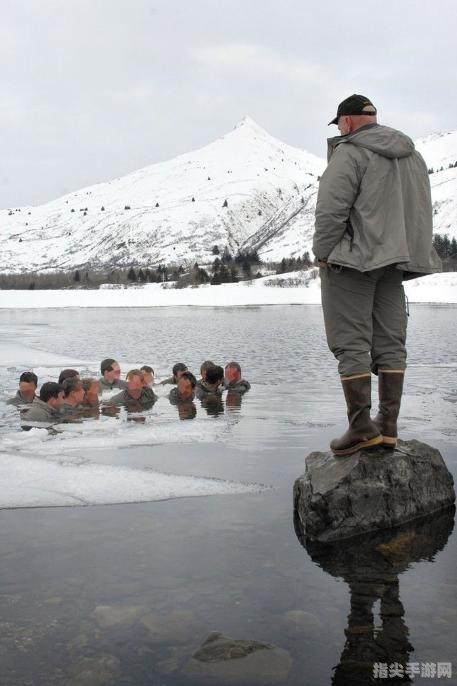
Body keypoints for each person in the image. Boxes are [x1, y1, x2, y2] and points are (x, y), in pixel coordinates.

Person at [313, 94, 441, 456]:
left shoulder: (349, 152)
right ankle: (388, 426)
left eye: (339, 124)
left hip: (353, 262)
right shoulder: (412, 156)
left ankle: (360, 427)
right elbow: (419, 212)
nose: (339, 129)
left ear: (349, 122)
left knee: (350, 342)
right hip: (395, 261)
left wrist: (323, 253)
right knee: (390, 341)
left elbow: (330, 210)